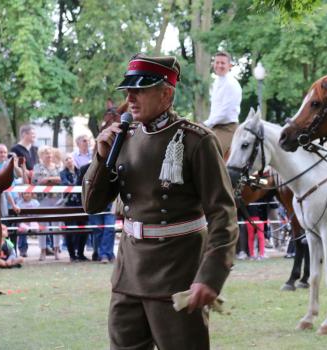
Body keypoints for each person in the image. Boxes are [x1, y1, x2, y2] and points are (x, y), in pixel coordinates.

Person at [82, 53, 238, 349]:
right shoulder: (122, 139)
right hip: (128, 275)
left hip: (177, 275)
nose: (130, 98)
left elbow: (223, 215)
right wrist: (101, 159)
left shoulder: (196, 141)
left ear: (166, 93)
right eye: (128, 91)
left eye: (140, 90)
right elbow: (91, 205)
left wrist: (211, 276)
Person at [202, 51, 242, 157]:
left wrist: (206, 124)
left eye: (223, 63)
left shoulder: (231, 84)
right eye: (217, 62)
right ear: (213, 64)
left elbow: (225, 113)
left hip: (227, 128)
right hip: (215, 127)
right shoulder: (216, 82)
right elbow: (215, 110)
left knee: (210, 153)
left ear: (230, 66)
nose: (219, 65)